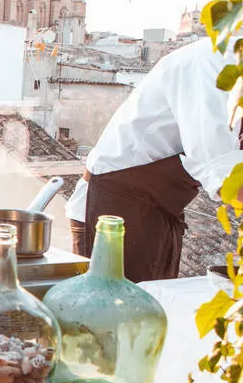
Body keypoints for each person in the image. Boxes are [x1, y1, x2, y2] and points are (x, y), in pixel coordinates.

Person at [66, 36, 243, 281]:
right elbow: (230, 180)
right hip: (112, 214)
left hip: (158, 215)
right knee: (112, 316)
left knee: (152, 315)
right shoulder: (214, 64)